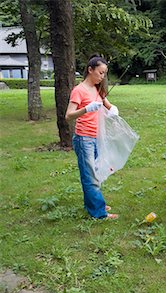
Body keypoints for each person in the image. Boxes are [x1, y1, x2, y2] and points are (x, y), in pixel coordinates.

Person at [65, 54, 119, 219]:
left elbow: (107, 105)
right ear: (90, 69)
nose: (102, 76)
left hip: (96, 137)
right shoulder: (79, 90)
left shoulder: (97, 89)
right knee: (90, 176)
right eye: (100, 72)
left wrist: (113, 110)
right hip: (84, 139)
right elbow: (68, 115)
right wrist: (86, 109)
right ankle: (98, 213)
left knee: (95, 172)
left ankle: (93, 203)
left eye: (104, 73)